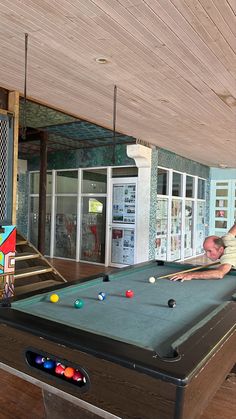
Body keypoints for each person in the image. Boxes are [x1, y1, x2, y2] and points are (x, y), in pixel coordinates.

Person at [170, 223, 236, 282]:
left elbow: (219, 274)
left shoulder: (228, 257)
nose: (207, 255)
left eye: (210, 251)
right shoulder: (226, 238)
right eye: (206, 251)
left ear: (221, 250)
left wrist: (191, 275)